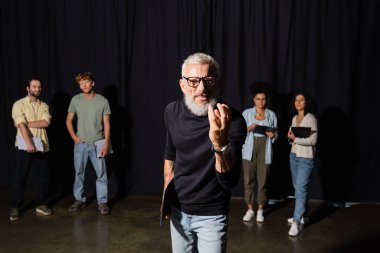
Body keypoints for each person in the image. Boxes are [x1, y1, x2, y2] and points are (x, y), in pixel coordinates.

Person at [163, 53, 246, 253]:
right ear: (182, 85)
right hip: (179, 211)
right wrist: (166, 199)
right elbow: (170, 156)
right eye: (193, 81)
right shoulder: (171, 112)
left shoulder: (232, 119)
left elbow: (229, 181)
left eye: (208, 80)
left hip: (212, 215)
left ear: (217, 83)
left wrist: (219, 141)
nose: (201, 89)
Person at [66, 72, 111, 215]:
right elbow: (68, 121)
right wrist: (74, 137)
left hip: (98, 142)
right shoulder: (76, 100)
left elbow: (107, 124)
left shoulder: (102, 101)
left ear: (93, 83)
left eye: (86, 82)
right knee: (79, 172)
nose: (84, 85)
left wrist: (106, 144)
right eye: (81, 83)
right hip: (81, 144)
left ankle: (102, 202)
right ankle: (79, 199)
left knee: (101, 174)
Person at [10, 78, 53, 221]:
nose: (37, 89)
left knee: (41, 178)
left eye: (39, 86)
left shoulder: (44, 105)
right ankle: (15, 207)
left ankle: (40, 204)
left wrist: (26, 122)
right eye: (34, 86)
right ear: (27, 88)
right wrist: (29, 143)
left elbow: (46, 122)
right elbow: (20, 125)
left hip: (41, 145)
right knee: (20, 178)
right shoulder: (19, 104)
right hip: (25, 145)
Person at [241, 83, 277, 222]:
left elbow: (276, 133)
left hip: (265, 148)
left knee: (262, 182)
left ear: (266, 100)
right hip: (249, 149)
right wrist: (250, 127)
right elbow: (239, 132)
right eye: (258, 99)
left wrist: (272, 135)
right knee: (248, 180)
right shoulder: (247, 113)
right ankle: (250, 209)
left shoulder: (271, 115)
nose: (260, 101)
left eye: (263, 99)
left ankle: (260, 210)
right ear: (253, 100)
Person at [286, 92, 317, 236]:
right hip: (293, 155)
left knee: (300, 189)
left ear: (306, 102)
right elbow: (293, 139)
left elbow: (313, 141)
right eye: (296, 100)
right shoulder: (294, 118)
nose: (298, 102)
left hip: (305, 158)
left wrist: (296, 139)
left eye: (301, 100)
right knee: (298, 189)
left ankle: (296, 222)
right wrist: (290, 138)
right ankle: (305, 215)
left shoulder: (311, 118)